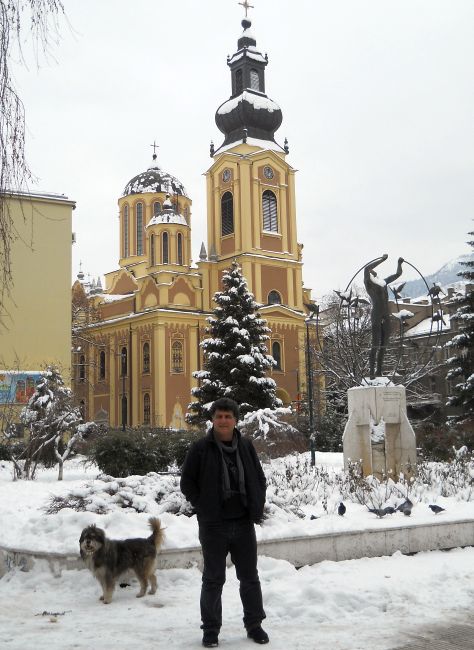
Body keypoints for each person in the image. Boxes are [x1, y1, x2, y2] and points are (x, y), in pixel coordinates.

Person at [180, 397, 269, 647]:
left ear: (235, 420)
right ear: (212, 420)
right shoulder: (200, 448)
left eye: (228, 416)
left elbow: (259, 479)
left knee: (249, 577)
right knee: (213, 578)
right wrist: (204, 505)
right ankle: (210, 630)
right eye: (219, 416)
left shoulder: (246, 447)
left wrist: (257, 504)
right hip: (213, 525)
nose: (223, 420)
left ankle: (254, 625)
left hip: (242, 523)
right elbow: (187, 482)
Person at [364, 254, 404, 379]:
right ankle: (371, 371)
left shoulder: (383, 282)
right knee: (376, 343)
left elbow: (397, 275)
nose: (374, 273)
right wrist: (382, 259)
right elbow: (366, 268)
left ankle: (379, 371)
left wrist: (399, 263)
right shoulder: (369, 284)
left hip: (386, 315)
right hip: (376, 314)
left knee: (384, 345)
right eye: (372, 271)